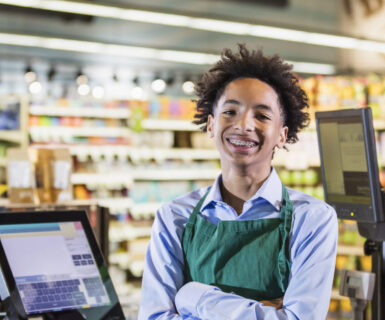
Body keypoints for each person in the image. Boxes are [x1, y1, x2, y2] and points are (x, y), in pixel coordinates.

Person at [138, 44, 338, 320]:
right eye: (230, 112)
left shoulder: (312, 219)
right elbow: (154, 316)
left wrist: (193, 297)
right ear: (211, 125)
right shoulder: (174, 218)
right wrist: (263, 311)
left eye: (262, 115)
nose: (244, 124)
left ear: (282, 135)